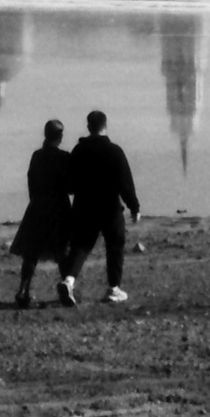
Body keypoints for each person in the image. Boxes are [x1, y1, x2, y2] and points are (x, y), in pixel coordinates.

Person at [59, 109, 139, 304]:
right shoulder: (114, 151)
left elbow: (69, 184)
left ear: (88, 127)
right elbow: (125, 183)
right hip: (109, 207)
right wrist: (134, 207)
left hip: (84, 206)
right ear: (105, 126)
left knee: (81, 245)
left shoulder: (79, 151)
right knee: (115, 244)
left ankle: (68, 281)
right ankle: (113, 288)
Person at [10, 119, 72, 309]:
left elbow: (31, 182)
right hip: (59, 208)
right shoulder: (64, 157)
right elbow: (70, 186)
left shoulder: (36, 156)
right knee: (62, 252)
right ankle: (68, 289)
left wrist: (35, 201)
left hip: (37, 207)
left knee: (31, 254)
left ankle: (23, 290)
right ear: (60, 137)